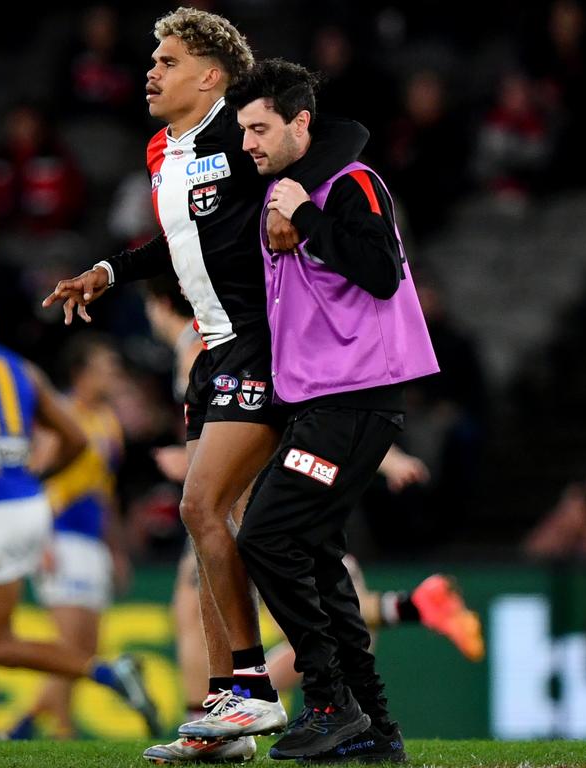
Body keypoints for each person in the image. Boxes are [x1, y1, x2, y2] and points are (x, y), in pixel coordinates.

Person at [42, 8, 368, 762]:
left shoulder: (239, 127)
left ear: (210, 75)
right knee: (213, 526)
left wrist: (297, 201)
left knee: (201, 503)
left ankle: (254, 691)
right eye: (152, 60)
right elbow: (183, 240)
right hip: (213, 351)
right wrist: (111, 270)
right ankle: (227, 712)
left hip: (265, 343)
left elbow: (345, 137)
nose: (150, 72)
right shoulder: (165, 149)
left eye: (167, 60)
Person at [223, 59, 440, 761]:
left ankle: (326, 700)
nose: (250, 141)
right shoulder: (285, 195)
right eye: (244, 130)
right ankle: (376, 729)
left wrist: (308, 216)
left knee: (264, 536)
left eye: (260, 127)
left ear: (301, 124)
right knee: (313, 553)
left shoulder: (354, 185)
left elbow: (380, 271)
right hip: (323, 404)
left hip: (355, 402)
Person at [0, 280, 157, 739]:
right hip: (25, 505)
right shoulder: (21, 368)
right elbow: (76, 441)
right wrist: (28, 479)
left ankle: (107, 672)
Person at [8, 333, 132, 740]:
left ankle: (22, 727)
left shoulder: (109, 421)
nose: (112, 375)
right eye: (105, 367)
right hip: (58, 534)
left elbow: (106, 492)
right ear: (81, 372)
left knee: (86, 652)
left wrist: (116, 548)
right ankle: (62, 733)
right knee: (69, 648)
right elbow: (33, 477)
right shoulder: (59, 415)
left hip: (92, 538)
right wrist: (38, 540)